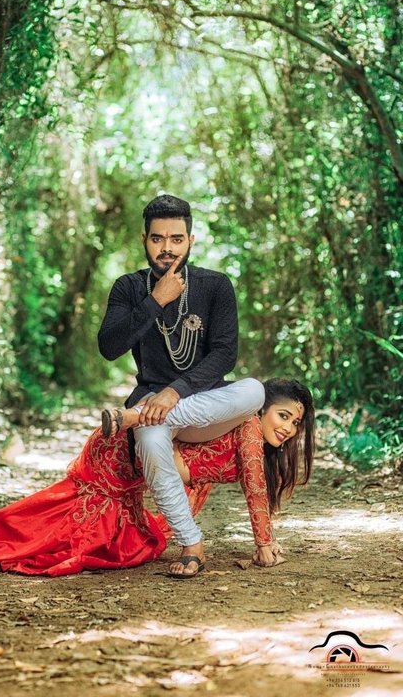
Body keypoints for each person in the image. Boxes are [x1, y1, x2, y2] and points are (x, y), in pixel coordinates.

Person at [0, 378, 315, 579]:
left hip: (137, 467)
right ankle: (4, 532)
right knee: (79, 539)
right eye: (283, 415)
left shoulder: (250, 434)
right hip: (119, 454)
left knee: (128, 546)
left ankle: (7, 532)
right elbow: (254, 487)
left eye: (295, 423)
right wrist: (263, 545)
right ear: (260, 409)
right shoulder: (250, 426)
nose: (288, 428)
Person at [98, 194, 265, 577]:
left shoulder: (215, 285)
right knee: (150, 439)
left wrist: (174, 393)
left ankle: (136, 416)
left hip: (205, 406)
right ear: (144, 240)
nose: (167, 248)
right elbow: (109, 347)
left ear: (190, 240)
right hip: (152, 406)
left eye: (176, 239)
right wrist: (155, 300)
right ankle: (191, 544)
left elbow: (225, 354)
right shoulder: (128, 288)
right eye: (158, 239)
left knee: (255, 390)